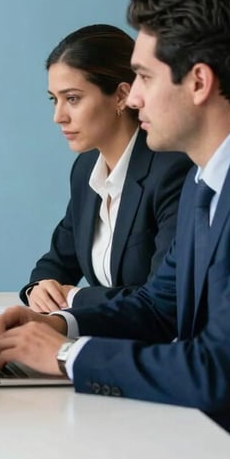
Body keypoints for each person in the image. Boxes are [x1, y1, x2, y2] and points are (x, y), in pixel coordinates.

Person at [0, 0, 230, 459]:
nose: (135, 98)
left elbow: (216, 372)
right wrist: (59, 323)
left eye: (145, 78)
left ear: (200, 82)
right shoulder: (208, 180)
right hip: (207, 435)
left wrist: (64, 357)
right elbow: (159, 304)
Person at [20, 24, 192, 311]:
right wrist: (40, 288)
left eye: (72, 98)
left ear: (122, 95)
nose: (58, 116)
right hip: (100, 331)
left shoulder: (171, 171)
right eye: (54, 99)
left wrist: (73, 298)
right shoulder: (86, 168)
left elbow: (163, 299)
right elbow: (57, 262)